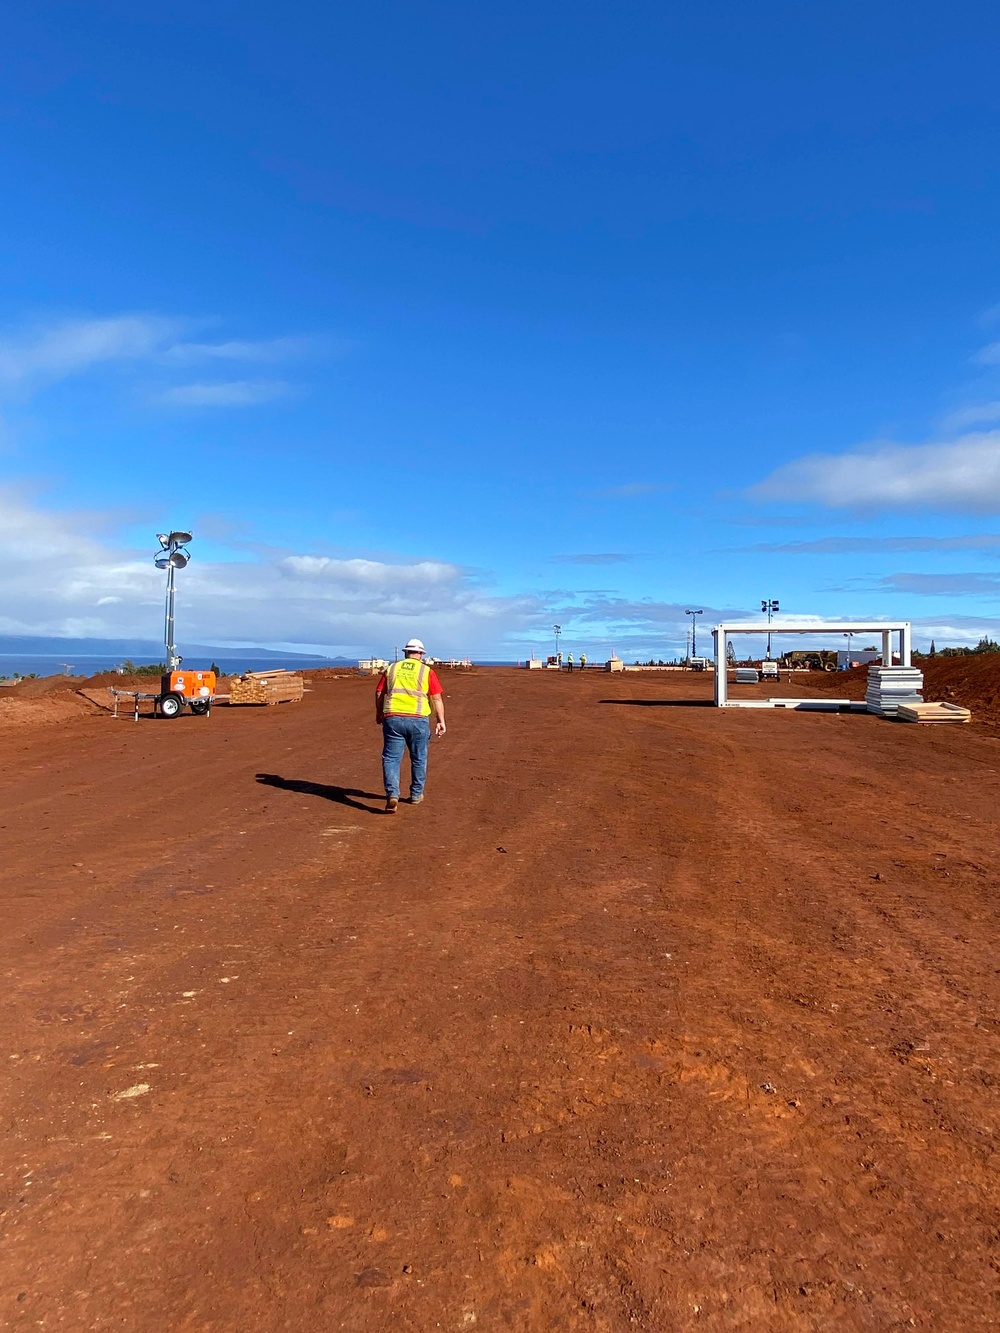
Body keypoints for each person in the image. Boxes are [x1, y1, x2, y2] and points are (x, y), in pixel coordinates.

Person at [375, 639, 446, 814]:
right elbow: (436, 698)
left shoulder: (392, 668)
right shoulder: (426, 671)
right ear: (421, 654)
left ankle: (392, 794)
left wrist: (379, 712)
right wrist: (440, 720)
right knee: (419, 758)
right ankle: (416, 795)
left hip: (393, 718)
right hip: (418, 720)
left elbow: (379, 692)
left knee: (391, 759)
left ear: (406, 653)